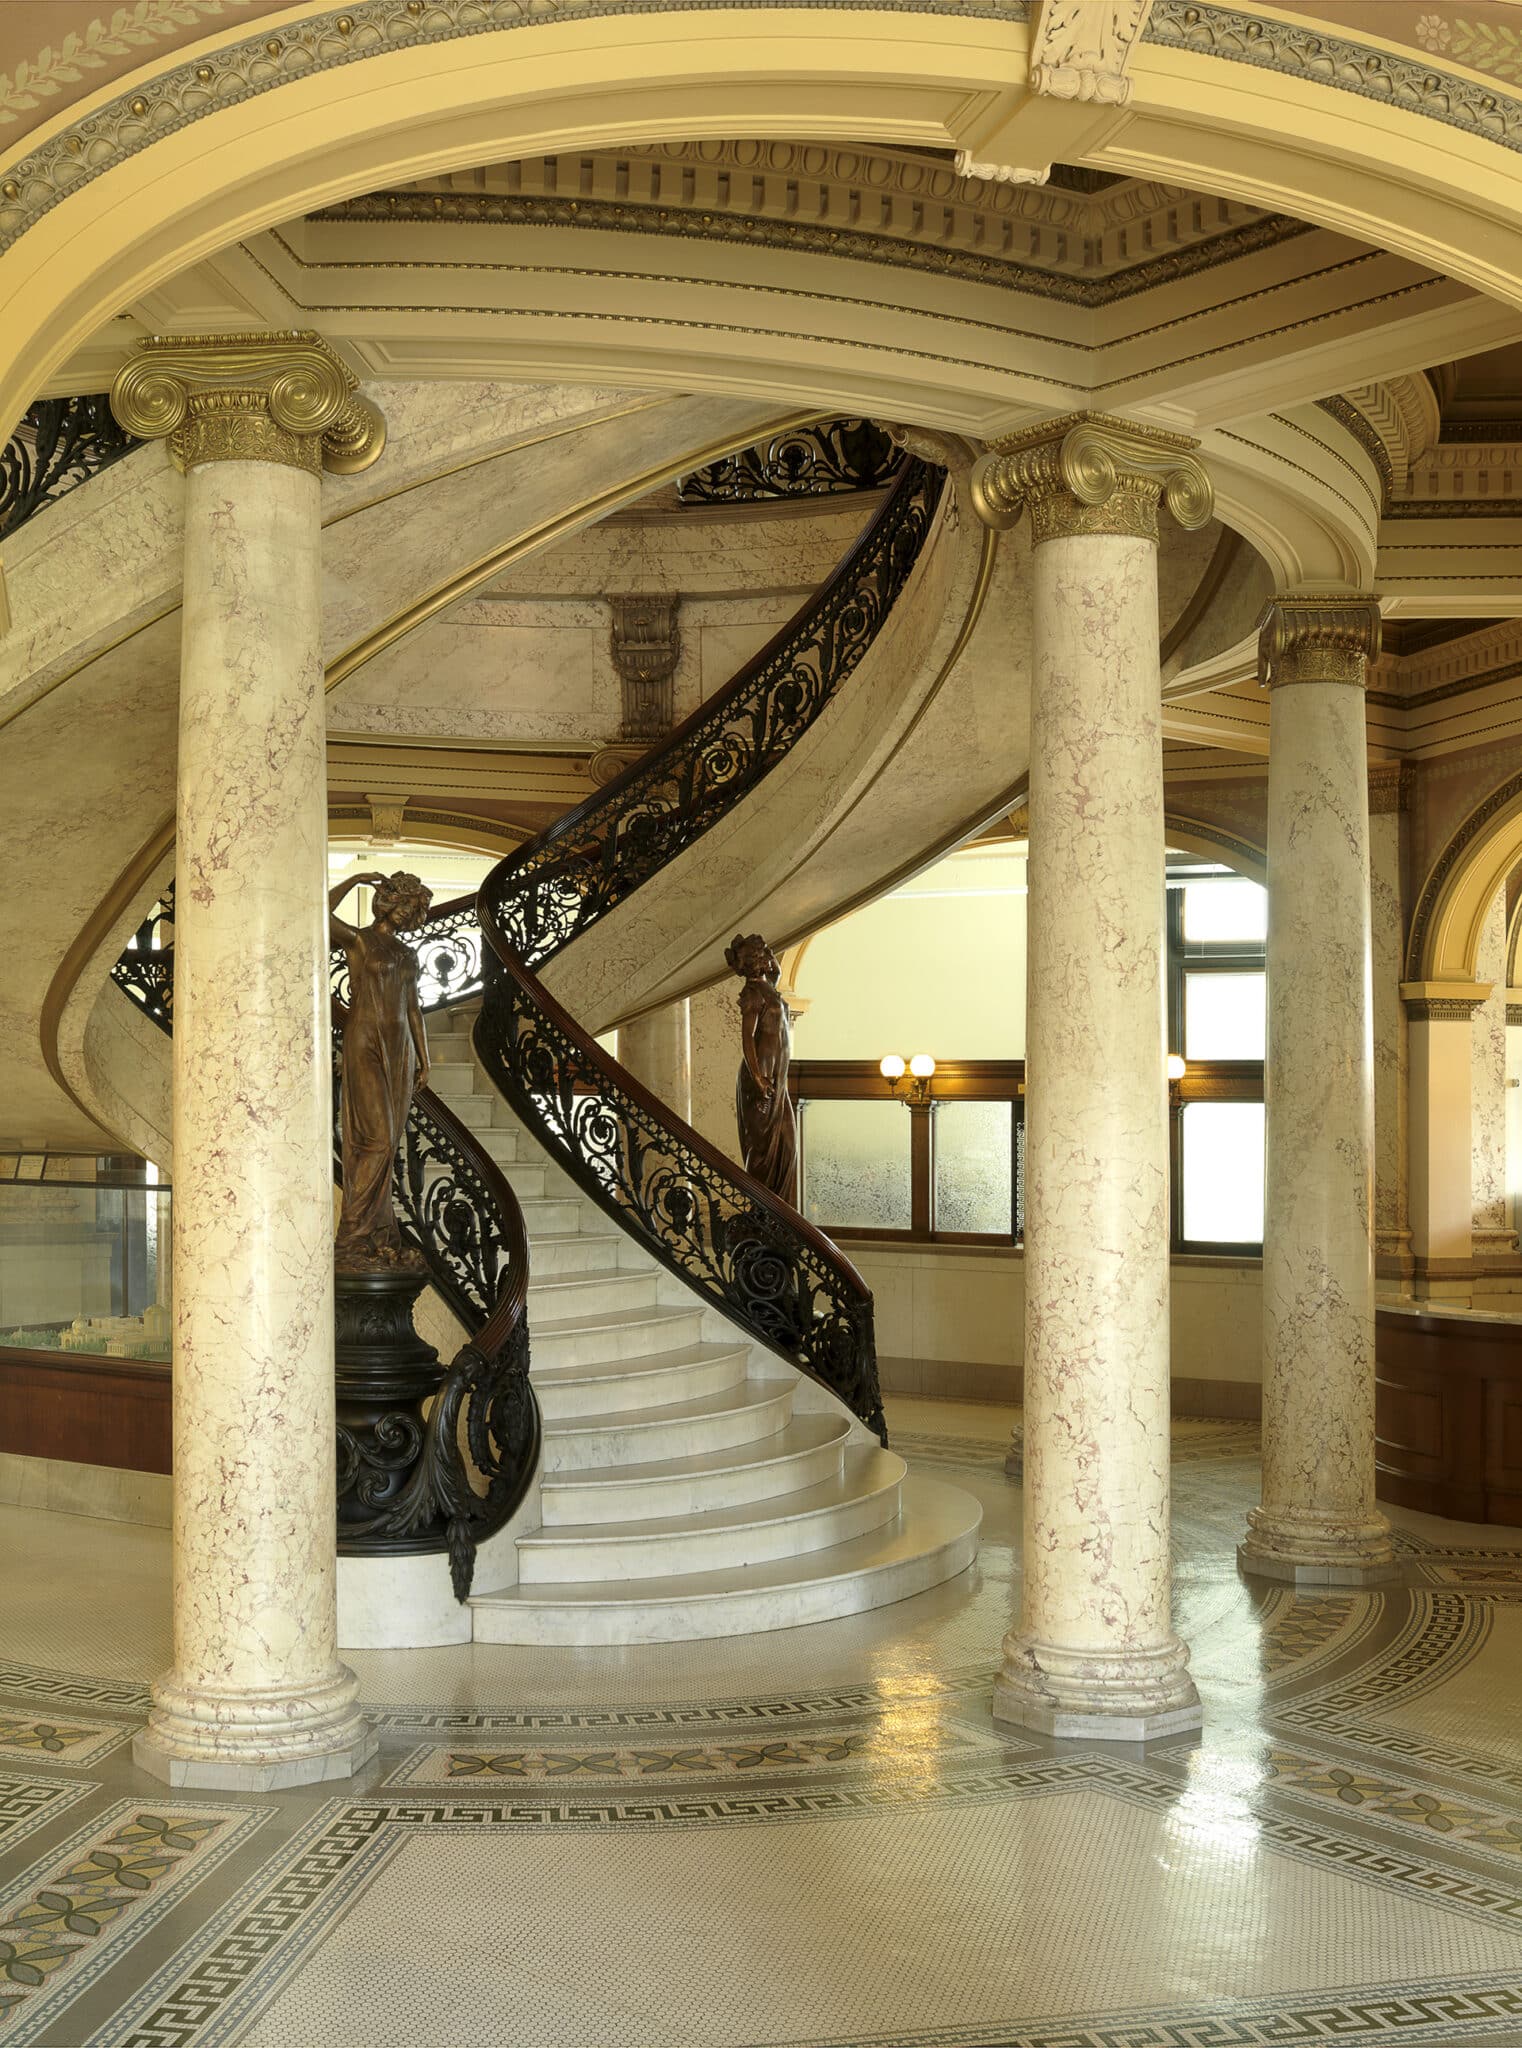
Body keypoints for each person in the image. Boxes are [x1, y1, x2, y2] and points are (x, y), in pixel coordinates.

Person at [329, 870, 434, 1266]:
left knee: (387, 1147)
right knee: (379, 1140)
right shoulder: (359, 941)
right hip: (365, 1042)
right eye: (404, 902)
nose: (407, 912)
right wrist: (354, 880)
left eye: (413, 907)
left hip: (400, 1047)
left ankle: (378, 1230)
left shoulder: (407, 955)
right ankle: (353, 1233)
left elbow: (414, 1008)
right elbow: (318, 913)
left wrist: (425, 1058)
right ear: (390, 901)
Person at [725, 932, 797, 1206]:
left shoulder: (770, 985)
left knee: (787, 1146)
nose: (769, 956)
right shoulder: (753, 993)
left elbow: (776, 968)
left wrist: (765, 945)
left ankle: (783, 1212)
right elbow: (747, 1038)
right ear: (755, 962)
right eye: (763, 953)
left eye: (766, 952)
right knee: (762, 1151)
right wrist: (758, 1078)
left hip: (778, 1079)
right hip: (762, 1077)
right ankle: (761, 1214)